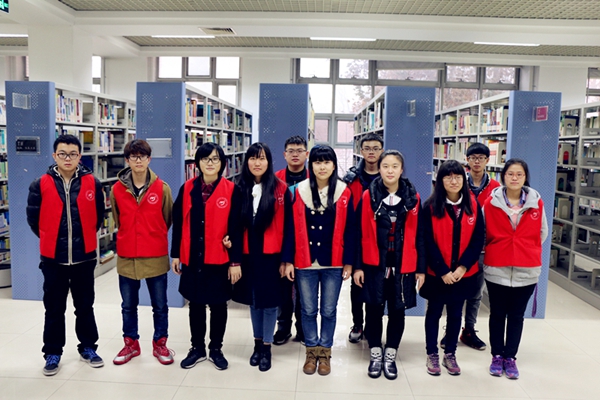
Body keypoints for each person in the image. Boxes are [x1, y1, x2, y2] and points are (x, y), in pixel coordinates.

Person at [27, 134, 105, 376]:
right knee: (54, 308)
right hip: (53, 259)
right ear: (54, 156)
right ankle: (52, 352)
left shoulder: (93, 182)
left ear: (80, 156)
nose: (67, 158)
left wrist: (82, 240)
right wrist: (51, 238)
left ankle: (88, 347)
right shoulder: (40, 183)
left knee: (85, 306)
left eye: (72, 154)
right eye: (62, 154)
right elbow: (34, 219)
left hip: (84, 258)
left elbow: (99, 216)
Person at [284, 145, 356, 376]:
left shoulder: (344, 192)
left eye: (326, 162)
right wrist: (287, 260)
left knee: (328, 310)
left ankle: (325, 352)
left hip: (334, 262)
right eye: (317, 162)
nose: (322, 166)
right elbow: (289, 229)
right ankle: (311, 351)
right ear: (310, 164)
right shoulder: (297, 191)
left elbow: (351, 230)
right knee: (307, 310)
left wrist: (349, 262)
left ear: (334, 165)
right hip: (304, 261)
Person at [171, 142, 242, 371]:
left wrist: (235, 261)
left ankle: (216, 348)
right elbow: (179, 223)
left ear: (222, 163)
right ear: (198, 163)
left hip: (220, 258)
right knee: (196, 304)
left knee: (219, 305)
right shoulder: (187, 188)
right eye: (205, 159)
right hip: (193, 257)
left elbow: (237, 228)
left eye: (215, 159)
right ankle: (197, 348)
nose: (210, 163)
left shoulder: (232, 190)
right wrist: (175, 254)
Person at [354, 150, 424, 380]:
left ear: (401, 169)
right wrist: (358, 266)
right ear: (379, 168)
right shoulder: (368, 195)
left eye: (395, 166)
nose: (390, 170)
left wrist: (421, 269)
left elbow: (420, 235)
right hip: (374, 263)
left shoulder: (413, 197)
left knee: (397, 310)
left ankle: (391, 353)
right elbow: (359, 233)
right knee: (373, 308)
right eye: (386, 166)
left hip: (403, 265)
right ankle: (376, 352)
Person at [110, 139, 174, 365]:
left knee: (160, 305)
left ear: (149, 159)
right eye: (133, 157)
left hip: (155, 255)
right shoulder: (117, 189)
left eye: (142, 156)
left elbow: (167, 219)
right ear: (127, 160)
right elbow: (118, 219)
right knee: (128, 306)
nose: (138, 160)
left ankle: (160, 343)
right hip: (127, 256)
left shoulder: (162, 188)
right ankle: (131, 344)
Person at [482, 158, 548, 380]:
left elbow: (543, 232)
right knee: (497, 314)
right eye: (510, 174)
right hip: (497, 267)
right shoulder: (491, 203)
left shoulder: (536, 202)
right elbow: (482, 231)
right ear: (503, 176)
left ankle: (510, 357)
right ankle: (496, 355)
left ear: (525, 177)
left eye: (519, 174)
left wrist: (524, 248)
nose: (514, 178)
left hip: (527, 269)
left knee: (517, 315)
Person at [232, 142, 294, 372]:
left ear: (269, 162)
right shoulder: (238, 188)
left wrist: (287, 260)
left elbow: (289, 228)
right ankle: (257, 344)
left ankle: (267, 347)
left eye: (262, 158)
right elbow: (234, 226)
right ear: (246, 161)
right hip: (248, 254)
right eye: (253, 158)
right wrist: (234, 258)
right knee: (253, 301)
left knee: (269, 303)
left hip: (272, 255)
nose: (257, 163)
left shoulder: (280, 189)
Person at [419, 160, 484, 376]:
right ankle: (432, 353)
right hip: (437, 273)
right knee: (434, 313)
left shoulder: (473, 204)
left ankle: (450, 353)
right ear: (441, 180)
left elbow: (478, 238)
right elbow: (426, 240)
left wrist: (463, 267)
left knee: (456, 314)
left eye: (458, 177)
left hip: (462, 274)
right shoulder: (430, 206)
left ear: (464, 180)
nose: (453, 181)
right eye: (448, 177)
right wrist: (442, 271)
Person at [440, 143, 500, 351]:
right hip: (455, 249)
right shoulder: (456, 181)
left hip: (482, 248)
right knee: (452, 292)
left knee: (476, 292)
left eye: (481, 158)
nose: (477, 161)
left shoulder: (495, 188)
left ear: (487, 160)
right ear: (467, 160)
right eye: (473, 157)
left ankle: (469, 329)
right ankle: (450, 331)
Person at [343, 133, 384, 344]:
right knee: (357, 284)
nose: (371, 152)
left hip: (381, 238)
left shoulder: (387, 177)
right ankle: (357, 323)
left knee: (376, 284)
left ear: (381, 151)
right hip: (356, 237)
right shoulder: (351, 178)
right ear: (361, 151)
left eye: (376, 148)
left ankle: (371, 325)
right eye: (367, 148)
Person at [273, 135, 309, 345]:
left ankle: (303, 329)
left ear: (306, 154)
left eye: (299, 150)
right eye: (291, 151)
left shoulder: (314, 178)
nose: (295, 154)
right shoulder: (275, 179)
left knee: (305, 289)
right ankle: (283, 327)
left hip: (307, 242)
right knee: (283, 289)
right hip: (281, 241)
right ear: (284, 154)